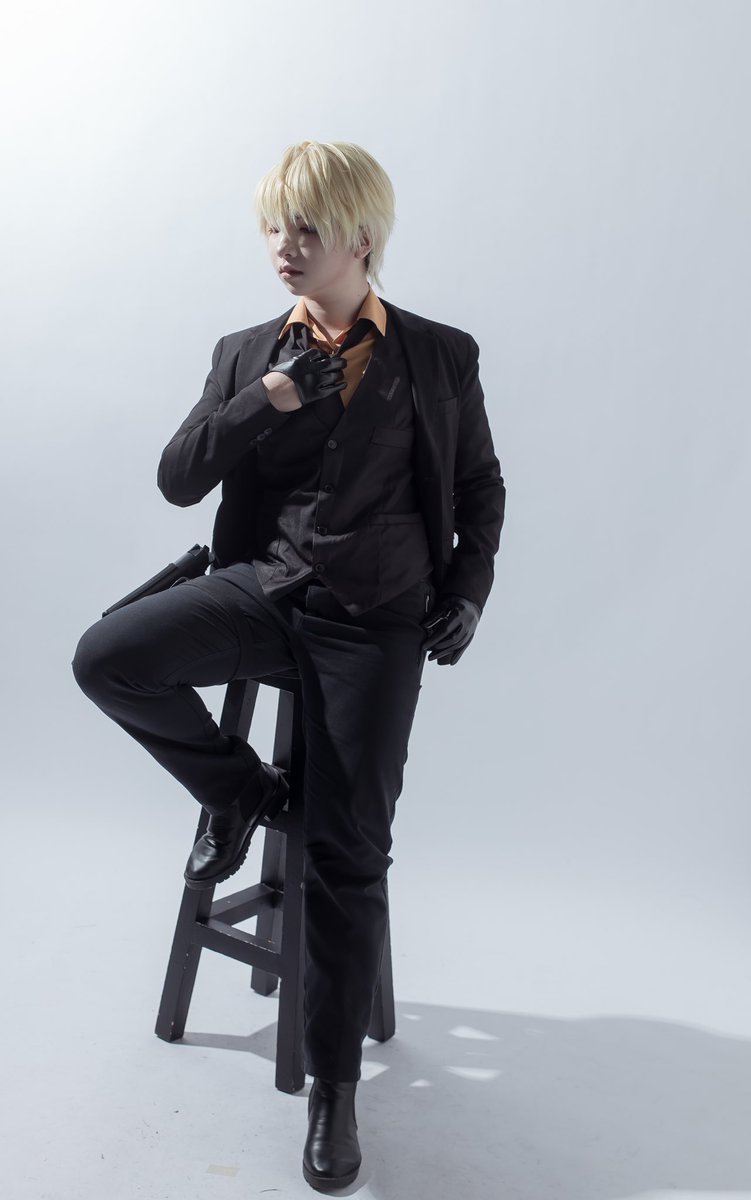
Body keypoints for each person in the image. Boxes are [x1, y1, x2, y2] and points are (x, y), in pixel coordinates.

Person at [72, 139, 505, 1193]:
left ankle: (333, 1091)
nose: (284, 245)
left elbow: (481, 487)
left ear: (362, 236)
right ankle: (243, 792)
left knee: (350, 853)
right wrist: (263, 399)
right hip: (264, 590)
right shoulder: (244, 352)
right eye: (274, 225)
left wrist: (468, 588)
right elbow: (177, 480)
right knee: (108, 657)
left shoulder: (440, 355)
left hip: (376, 620)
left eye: (306, 227)